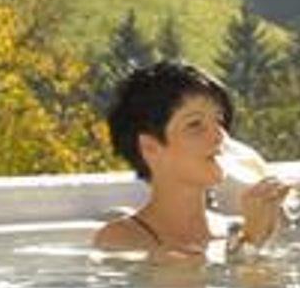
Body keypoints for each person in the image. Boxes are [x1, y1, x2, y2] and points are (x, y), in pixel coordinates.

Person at [94, 60, 287, 257]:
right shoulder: (123, 240)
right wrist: (251, 243)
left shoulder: (233, 229)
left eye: (219, 120)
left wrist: (256, 239)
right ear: (150, 148)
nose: (219, 136)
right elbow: (180, 275)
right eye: (195, 124)